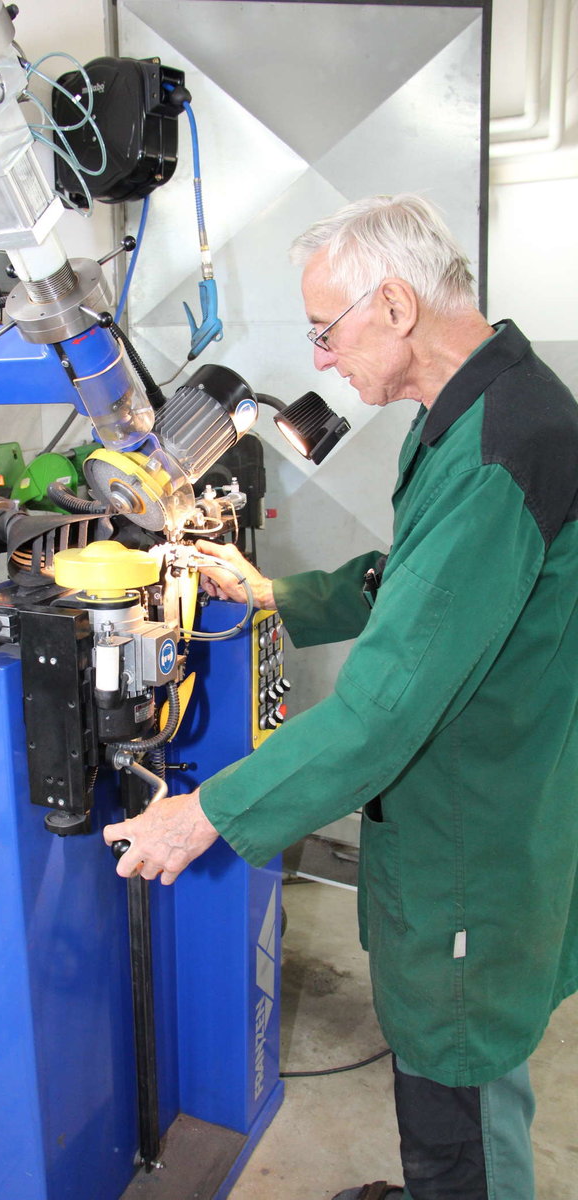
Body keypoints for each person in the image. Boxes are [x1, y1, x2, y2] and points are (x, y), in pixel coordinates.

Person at [103, 194, 578, 1200]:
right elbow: (414, 577)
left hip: (473, 829)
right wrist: (277, 593)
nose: (318, 361)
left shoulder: (501, 447)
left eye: (324, 331)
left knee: (461, 1073)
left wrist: (206, 813)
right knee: (438, 1061)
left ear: (394, 306)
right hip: (468, 805)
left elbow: (383, 711)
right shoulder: (468, 417)